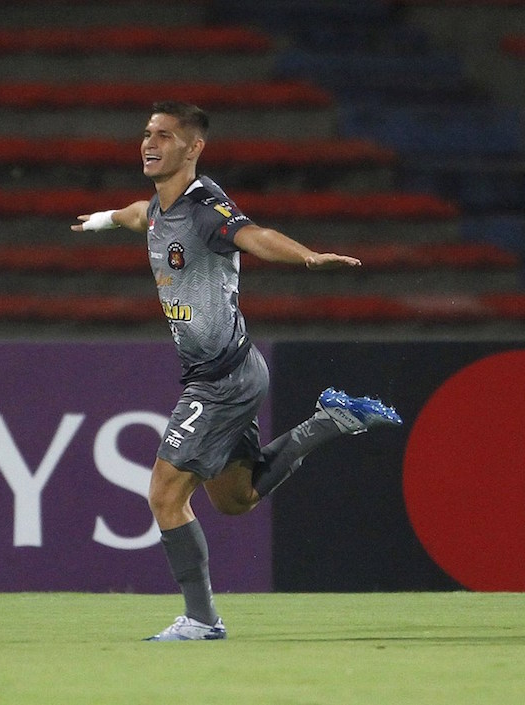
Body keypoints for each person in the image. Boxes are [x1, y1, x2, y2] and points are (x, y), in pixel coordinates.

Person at [72, 101, 402, 641]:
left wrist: (308, 256)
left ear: (193, 147)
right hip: (238, 368)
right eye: (146, 133)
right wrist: (103, 220)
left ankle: (202, 621)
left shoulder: (206, 210)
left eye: (164, 136)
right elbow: (139, 215)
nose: (149, 143)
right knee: (236, 499)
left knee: (164, 493)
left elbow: (256, 235)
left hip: (220, 377)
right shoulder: (161, 205)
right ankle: (330, 421)